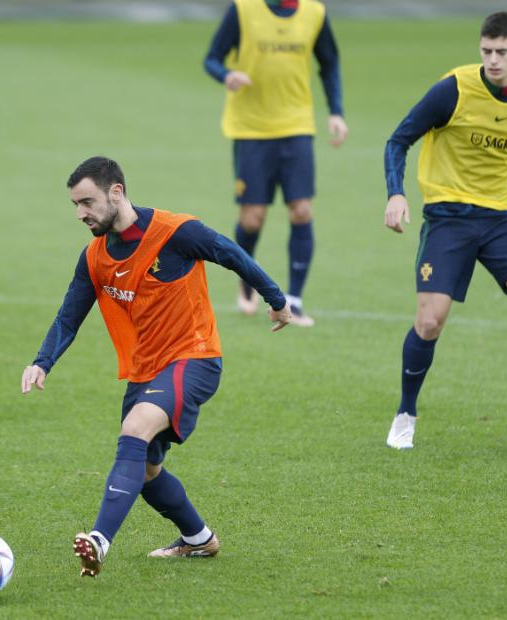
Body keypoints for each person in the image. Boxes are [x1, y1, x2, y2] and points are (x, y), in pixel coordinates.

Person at [21, 156, 292, 577]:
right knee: (145, 469)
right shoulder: (94, 257)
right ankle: (199, 539)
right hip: (145, 371)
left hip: (194, 358)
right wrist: (42, 362)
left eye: (87, 202)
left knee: (134, 430)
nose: (80, 213)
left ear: (116, 192)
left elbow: (230, 253)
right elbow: (69, 316)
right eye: (75, 204)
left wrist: (276, 300)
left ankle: (99, 540)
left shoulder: (175, 232)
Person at [381, 12, 507, 451]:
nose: (492, 60)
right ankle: (405, 414)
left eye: (502, 52)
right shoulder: (453, 89)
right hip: (448, 218)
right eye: (486, 51)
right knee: (429, 321)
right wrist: (396, 193)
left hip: (503, 218)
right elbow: (398, 140)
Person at [204, 0, 348, 327]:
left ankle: (294, 301)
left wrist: (336, 111)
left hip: (297, 127)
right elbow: (211, 58)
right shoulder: (242, 9)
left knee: (302, 210)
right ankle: (247, 278)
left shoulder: (314, 13)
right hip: (251, 129)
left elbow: (329, 62)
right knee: (252, 219)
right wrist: (226, 75)